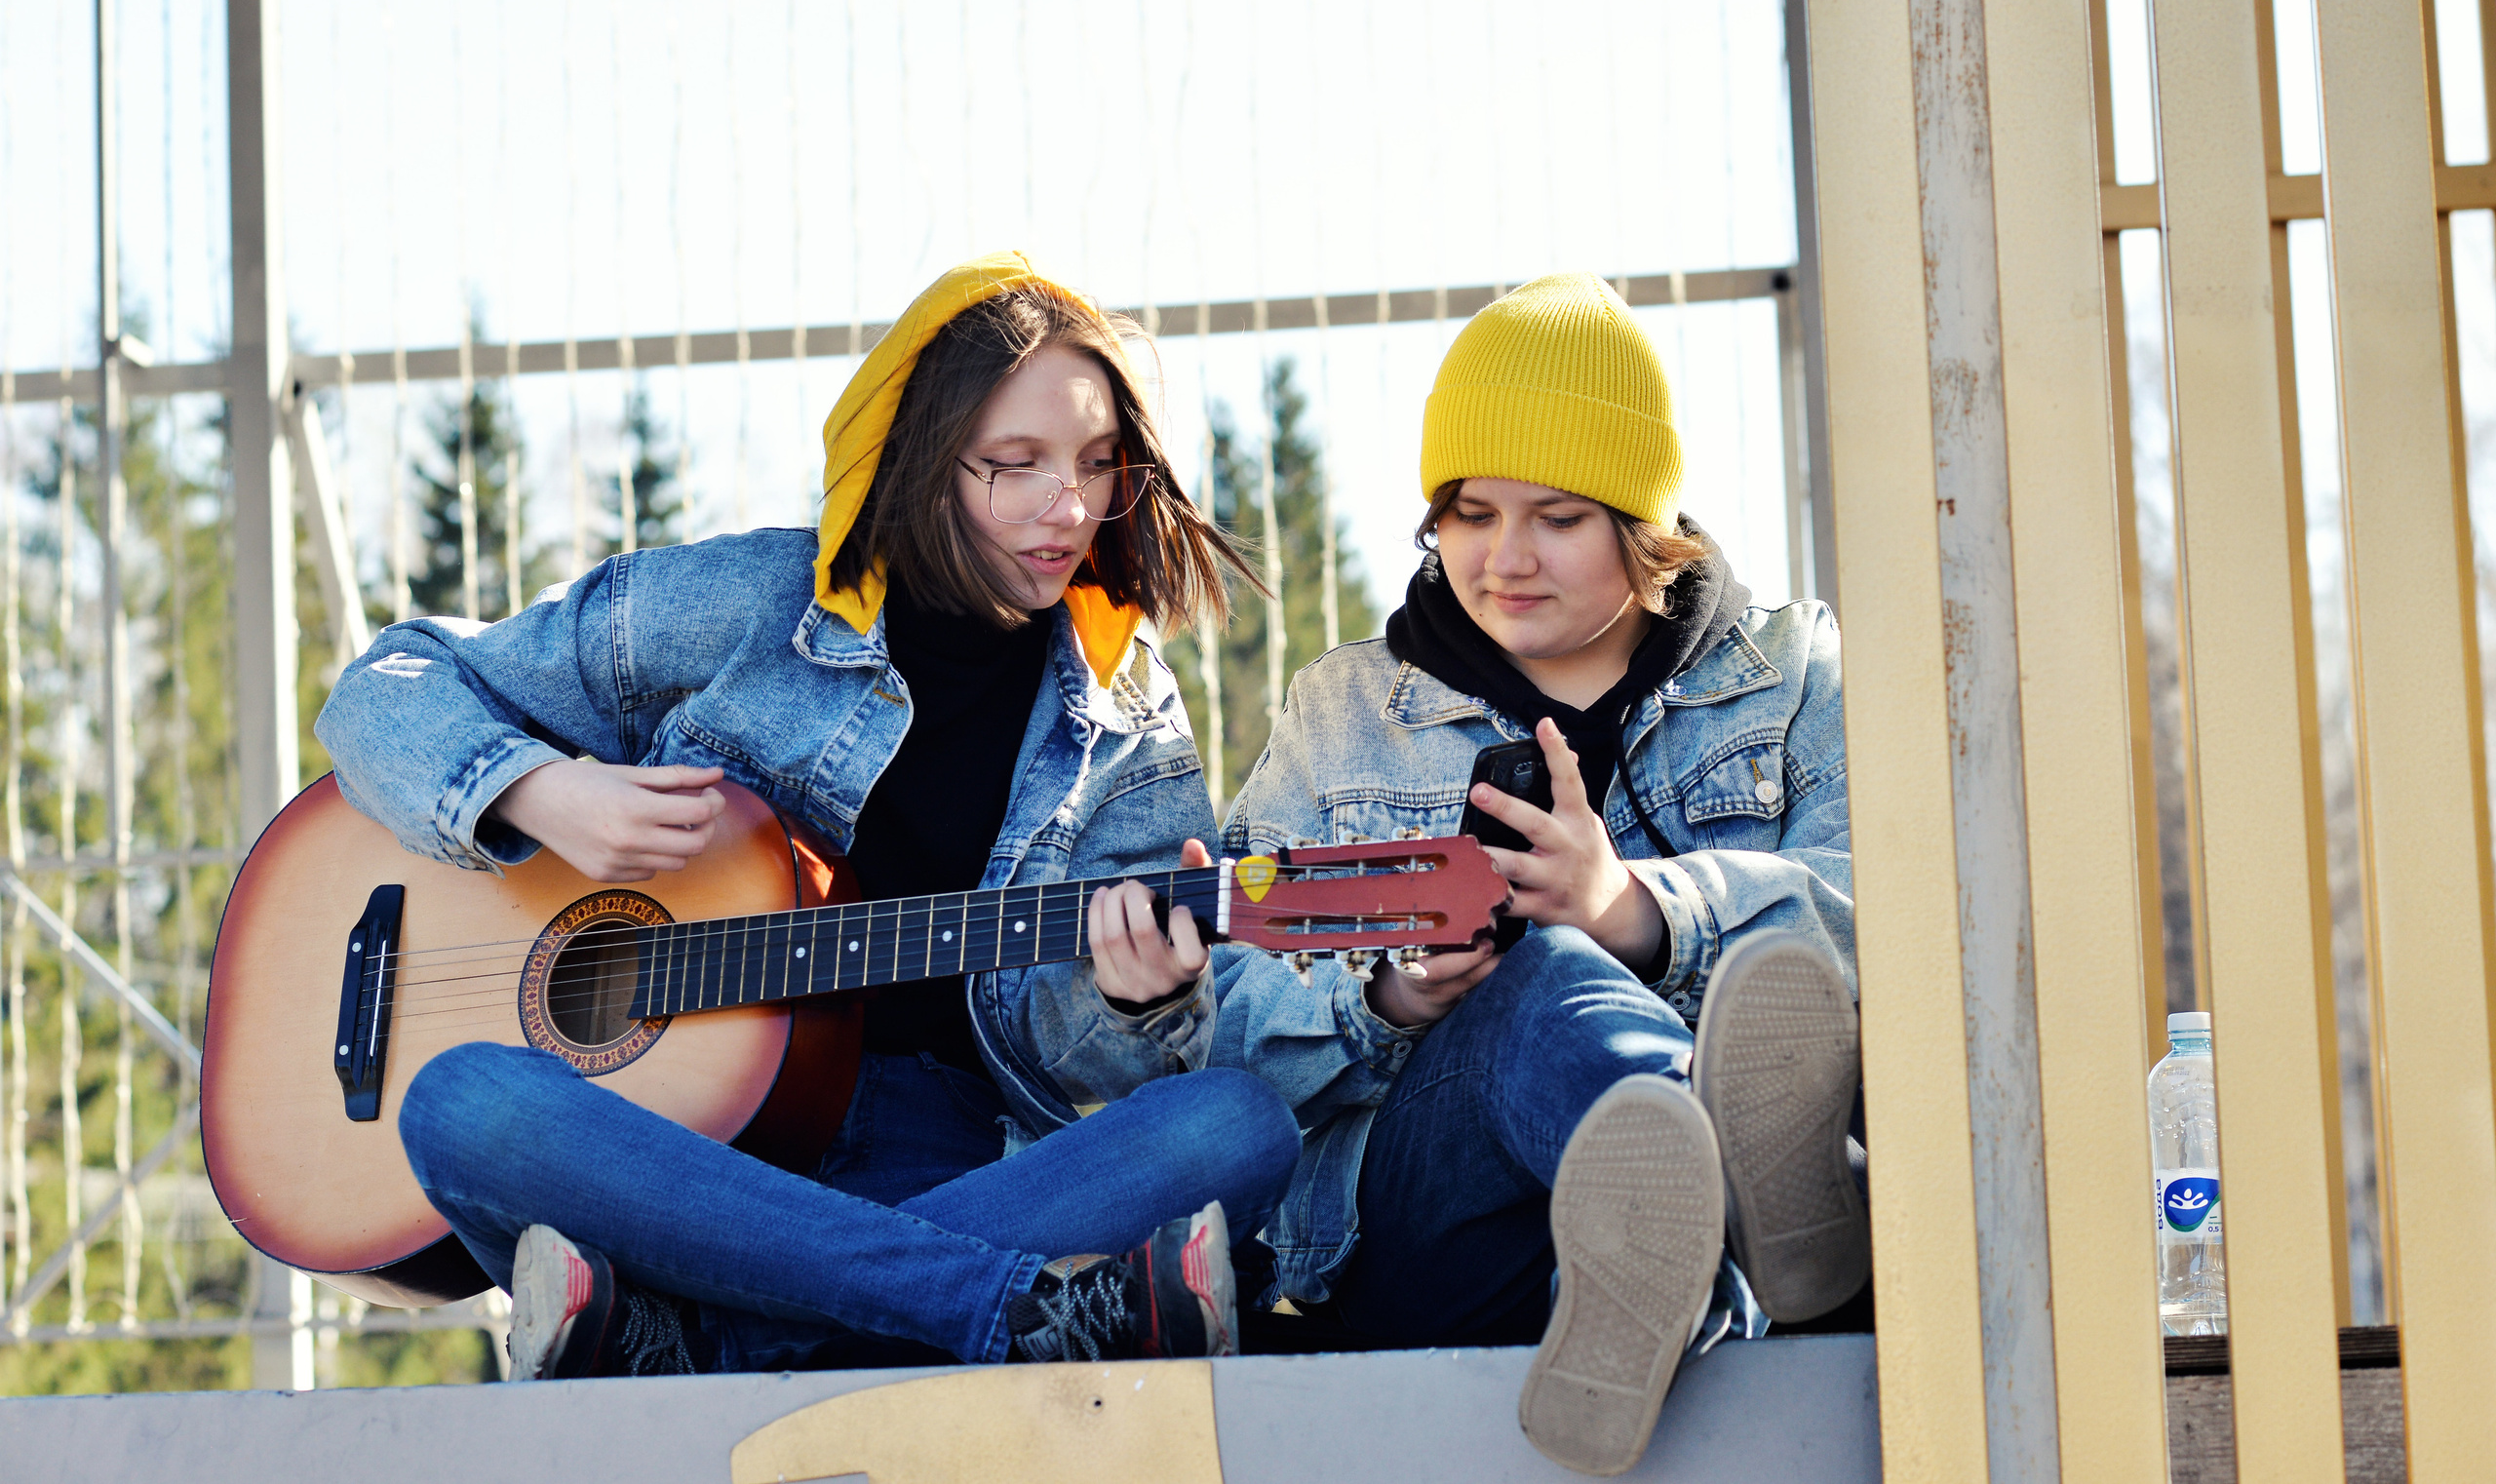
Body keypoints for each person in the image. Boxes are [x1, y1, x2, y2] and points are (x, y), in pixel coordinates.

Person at [315, 253, 1300, 1379]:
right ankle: (994, 1307)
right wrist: (544, 792)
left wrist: (1146, 998)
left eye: (1094, 464)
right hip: (669, 1161)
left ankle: (703, 1337)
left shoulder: (1128, 719)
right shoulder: (751, 604)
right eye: (1014, 465)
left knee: (1233, 1124)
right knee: (462, 1099)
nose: (1067, 508)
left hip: (944, 1161)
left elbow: (1103, 1064)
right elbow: (382, 691)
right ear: (920, 460)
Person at [1117, 273, 1866, 1475]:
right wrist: (1388, 1000)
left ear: (1640, 522)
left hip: (1657, 1254)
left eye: (1557, 517)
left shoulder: (1787, 674)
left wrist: (1642, 913)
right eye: (1468, 512)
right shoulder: (1347, 714)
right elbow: (1233, 1009)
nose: (1504, 557)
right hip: (1438, 1222)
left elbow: (1894, 911)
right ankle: (1753, 1214)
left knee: (1614, 952)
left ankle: (1693, 1269)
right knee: (1542, 980)